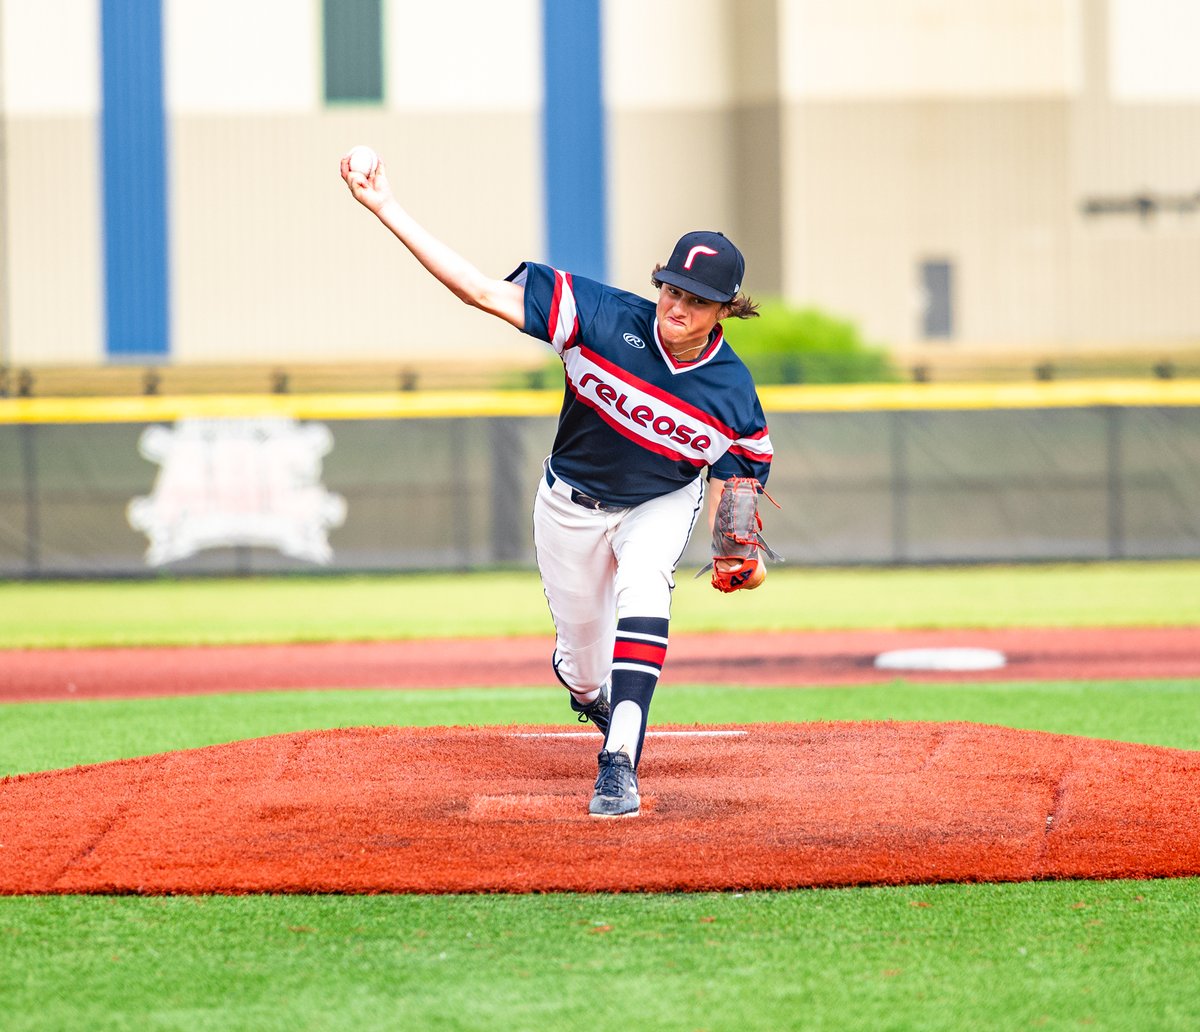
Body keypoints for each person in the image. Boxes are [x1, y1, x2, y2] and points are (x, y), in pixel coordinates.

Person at [340, 150, 773, 818]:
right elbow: (480, 291)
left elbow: (737, 483)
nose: (676, 305)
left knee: (645, 586)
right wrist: (386, 207)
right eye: (671, 288)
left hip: (659, 501)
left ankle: (619, 760)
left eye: (697, 299)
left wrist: (739, 553)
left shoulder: (733, 395)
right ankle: (590, 695)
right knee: (581, 668)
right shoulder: (595, 315)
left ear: (725, 310)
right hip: (568, 502)